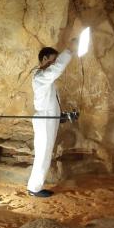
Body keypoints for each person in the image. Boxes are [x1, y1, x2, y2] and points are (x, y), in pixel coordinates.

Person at [27, 25, 81, 198]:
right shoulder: (40, 77)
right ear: (44, 59)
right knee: (42, 154)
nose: (53, 64)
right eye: (52, 60)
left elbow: (52, 102)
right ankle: (34, 188)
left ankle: (35, 186)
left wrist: (61, 116)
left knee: (45, 153)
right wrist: (69, 51)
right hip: (44, 121)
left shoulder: (46, 80)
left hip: (49, 119)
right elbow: (55, 70)